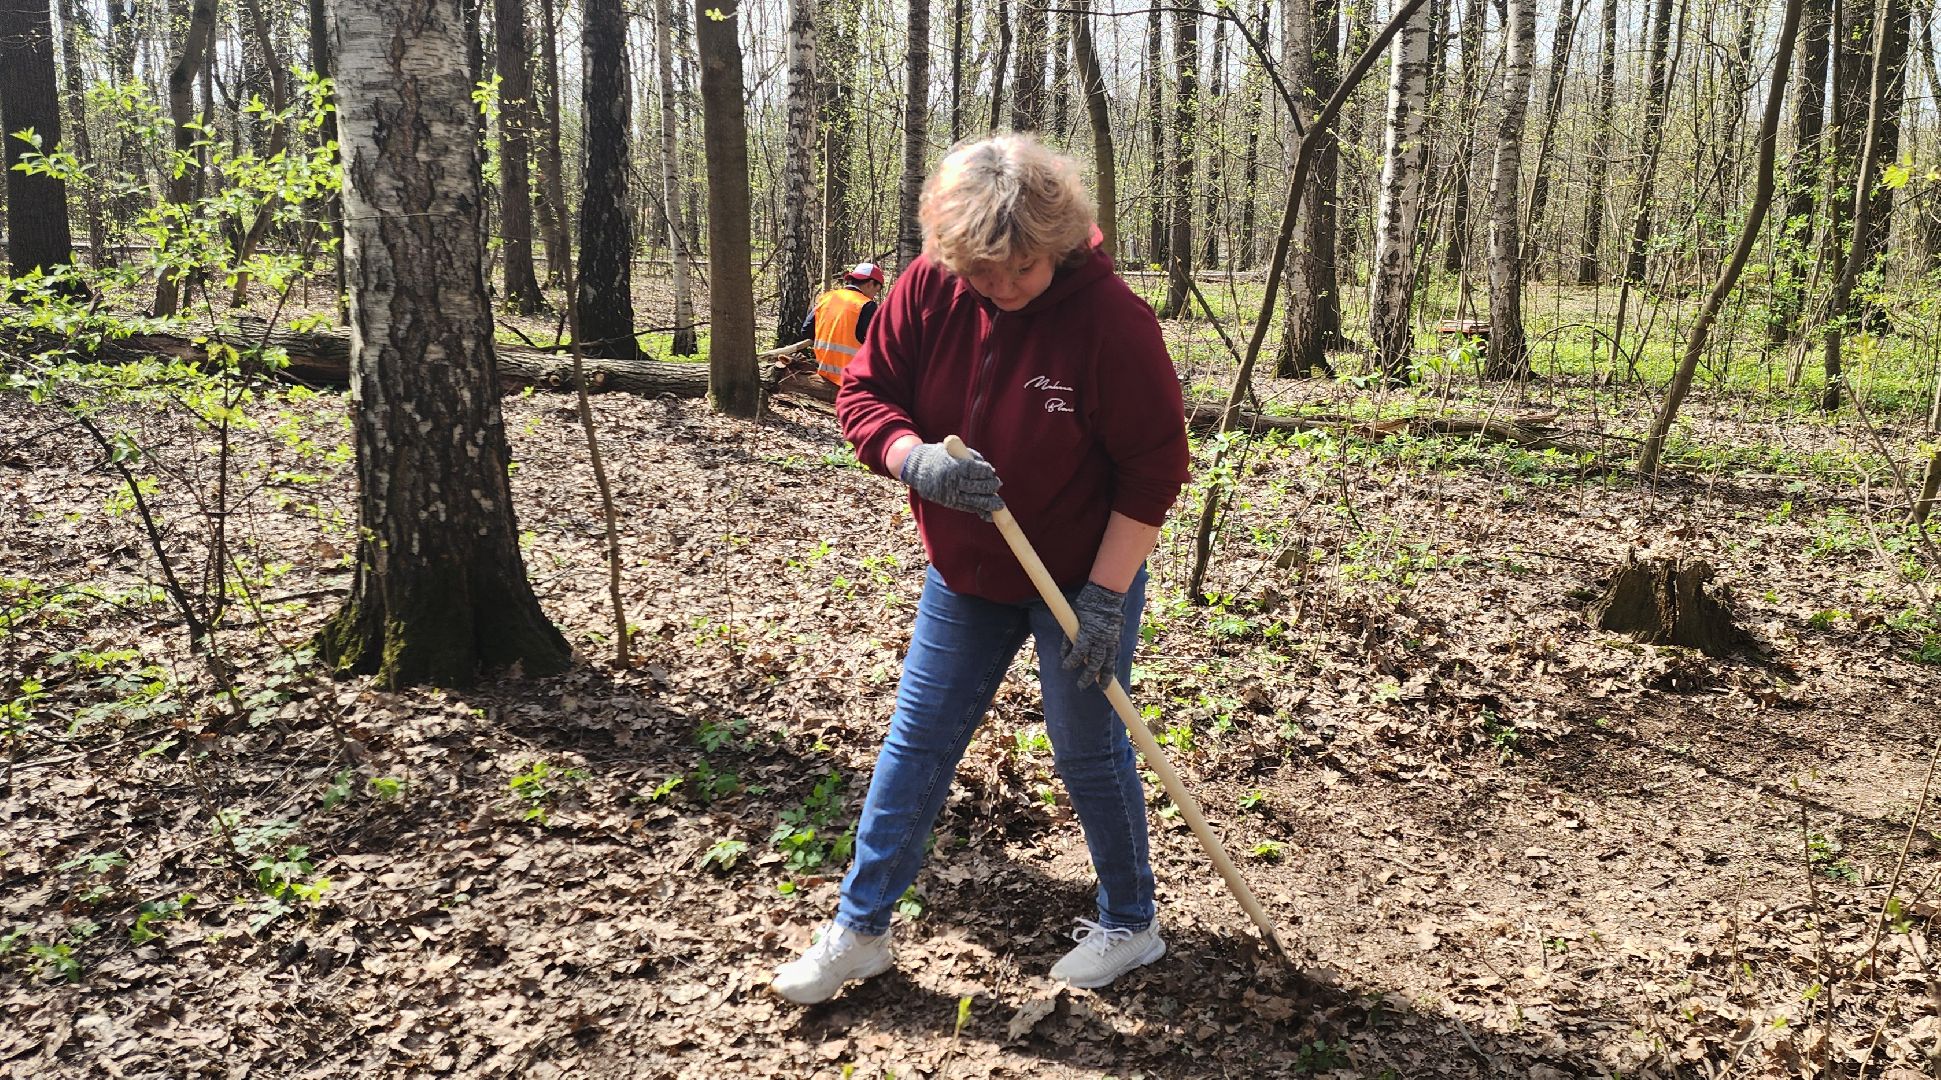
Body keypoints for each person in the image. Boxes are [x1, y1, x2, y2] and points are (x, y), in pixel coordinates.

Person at [772, 134, 1190, 1005]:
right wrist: (910, 458)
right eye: (979, 274)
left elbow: (1153, 473)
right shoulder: (931, 286)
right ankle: (861, 928)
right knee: (917, 743)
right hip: (964, 574)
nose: (997, 289)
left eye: (1017, 271)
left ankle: (1129, 922)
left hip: (1079, 580)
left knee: (1086, 748)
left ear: (1057, 244)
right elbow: (866, 393)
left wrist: (1105, 599)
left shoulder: (1111, 322)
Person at [803, 262, 886, 384]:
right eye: (876, 290)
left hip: (824, 372)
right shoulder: (866, 305)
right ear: (870, 284)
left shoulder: (827, 297)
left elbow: (806, 330)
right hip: (852, 378)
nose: (874, 295)